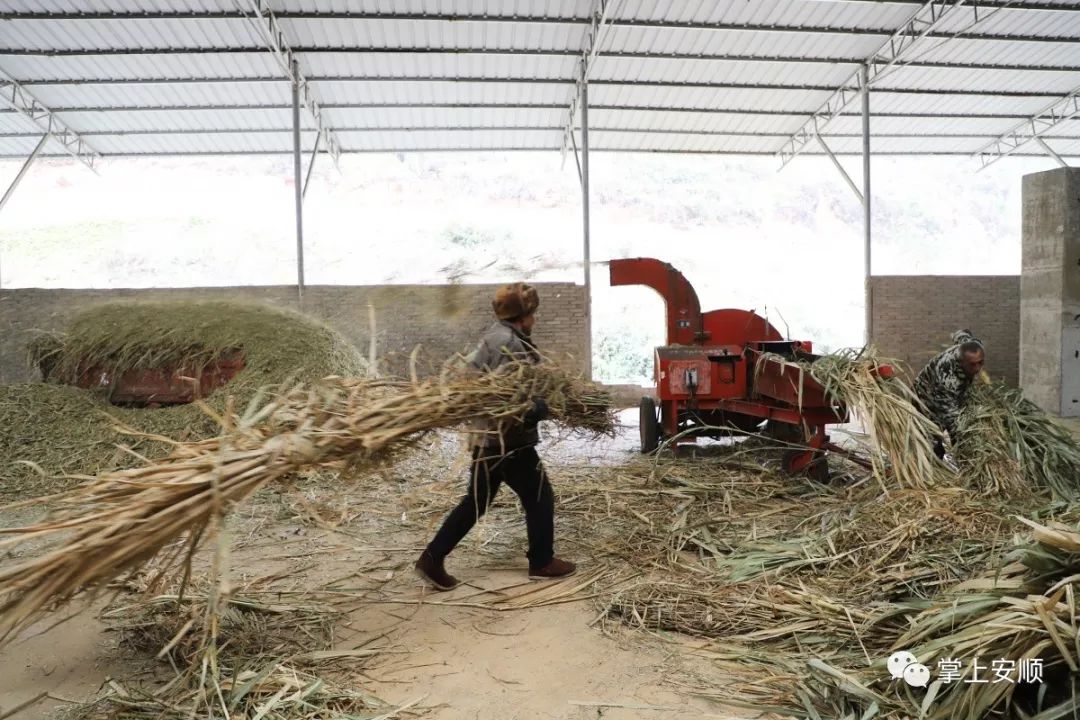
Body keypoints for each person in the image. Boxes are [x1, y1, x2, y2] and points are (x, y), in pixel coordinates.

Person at [414, 282, 577, 591]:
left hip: (488, 437)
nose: (535, 319)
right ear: (524, 314)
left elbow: (484, 386)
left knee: (476, 501)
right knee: (540, 497)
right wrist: (532, 411)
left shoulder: (495, 336)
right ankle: (542, 562)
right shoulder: (510, 343)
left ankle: (432, 558)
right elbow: (504, 398)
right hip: (506, 441)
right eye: (533, 313)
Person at [913, 329, 986, 459]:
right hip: (926, 397)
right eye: (972, 365)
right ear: (961, 361)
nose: (977, 369)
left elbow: (961, 334)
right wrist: (964, 444)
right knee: (932, 444)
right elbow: (952, 418)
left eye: (980, 362)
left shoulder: (972, 345)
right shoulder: (948, 379)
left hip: (950, 394)